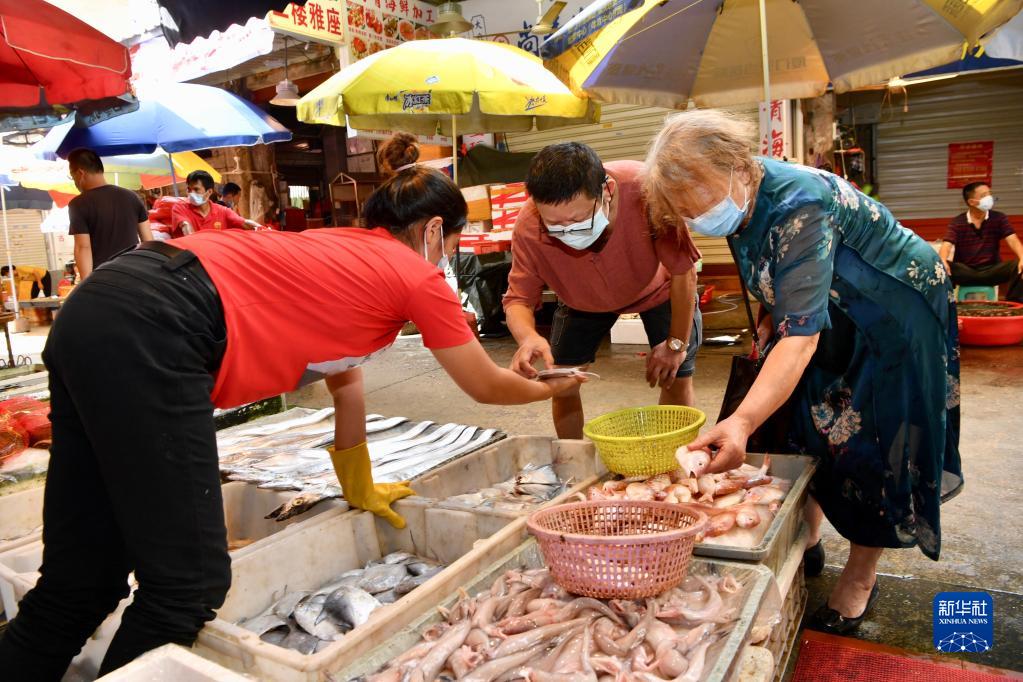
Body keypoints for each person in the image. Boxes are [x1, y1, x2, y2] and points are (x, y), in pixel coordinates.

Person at [0, 138, 584, 680]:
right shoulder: (414, 275)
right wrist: (553, 386)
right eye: (454, 244)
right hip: (159, 324)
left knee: (81, 580)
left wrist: (359, 485)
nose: (450, 258)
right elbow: (484, 385)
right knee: (186, 586)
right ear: (435, 231)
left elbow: (344, 383)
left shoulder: (342, 254)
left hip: (99, 305)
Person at [644, 110, 962, 635]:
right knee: (805, 425)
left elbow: (803, 337)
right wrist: (771, 313)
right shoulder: (741, 201)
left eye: (699, 202)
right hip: (827, 313)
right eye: (682, 210)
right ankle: (808, 535)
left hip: (892, 315)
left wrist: (740, 423)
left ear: (739, 167)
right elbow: (782, 274)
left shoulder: (801, 203)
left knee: (875, 445)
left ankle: (860, 578)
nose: (696, 216)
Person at [503, 142, 703, 439]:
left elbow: (683, 271)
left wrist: (676, 344)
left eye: (578, 219)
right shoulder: (528, 227)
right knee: (563, 383)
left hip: (658, 290)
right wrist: (528, 337)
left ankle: (674, 465)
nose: (568, 231)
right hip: (580, 302)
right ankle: (572, 461)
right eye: (555, 225)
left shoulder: (646, 190)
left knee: (676, 375)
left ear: (607, 190)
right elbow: (518, 298)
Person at [67, 148, 153, 279]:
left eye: (72, 177)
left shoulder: (78, 204)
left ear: (80, 173)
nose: (74, 182)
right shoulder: (132, 197)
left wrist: (86, 285)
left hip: (105, 279)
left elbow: (83, 247)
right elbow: (148, 240)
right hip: (135, 274)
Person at [939, 182, 1023, 302]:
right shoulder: (957, 222)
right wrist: (942, 260)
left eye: (990, 193)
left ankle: (1015, 305)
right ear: (972, 202)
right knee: (939, 267)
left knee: (1019, 265)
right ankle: (948, 304)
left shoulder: (999, 218)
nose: (989, 197)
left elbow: (1013, 240)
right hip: (966, 272)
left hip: (992, 271)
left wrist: (1022, 256)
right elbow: (946, 245)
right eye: (984, 195)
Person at [171, 171, 261, 234]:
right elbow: (186, 226)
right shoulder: (180, 208)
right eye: (189, 189)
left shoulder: (223, 211)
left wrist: (263, 230)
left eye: (196, 189)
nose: (191, 193)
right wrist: (194, 243)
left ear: (209, 192)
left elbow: (244, 222)